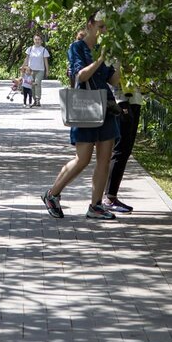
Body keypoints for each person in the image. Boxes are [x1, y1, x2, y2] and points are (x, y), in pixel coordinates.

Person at [41, 12, 119, 221]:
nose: (104, 31)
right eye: (101, 27)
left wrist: (120, 62)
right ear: (90, 25)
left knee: (104, 159)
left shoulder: (105, 48)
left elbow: (114, 80)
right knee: (83, 159)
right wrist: (101, 58)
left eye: (107, 28)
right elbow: (80, 75)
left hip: (106, 106)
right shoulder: (77, 48)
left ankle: (95, 205)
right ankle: (52, 194)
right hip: (85, 106)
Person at [103, 72, 143, 213]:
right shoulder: (116, 51)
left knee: (126, 150)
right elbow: (112, 77)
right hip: (121, 100)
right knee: (121, 149)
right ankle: (109, 198)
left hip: (135, 99)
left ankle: (111, 196)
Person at [24, 33, 50, 106]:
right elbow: (26, 59)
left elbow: (46, 61)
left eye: (39, 39)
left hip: (40, 70)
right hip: (30, 71)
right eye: (36, 39)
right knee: (31, 85)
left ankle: (38, 99)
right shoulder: (30, 49)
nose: (37, 41)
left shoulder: (44, 50)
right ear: (33, 40)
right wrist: (23, 67)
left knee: (37, 83)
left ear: (41, 41)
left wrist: (47, 71)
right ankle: (34, 100)